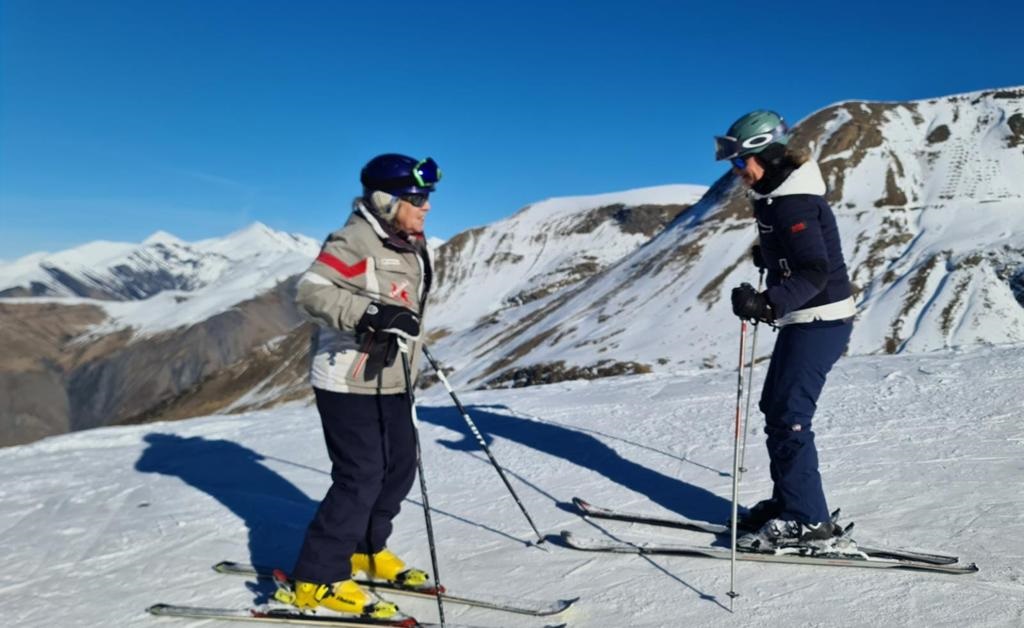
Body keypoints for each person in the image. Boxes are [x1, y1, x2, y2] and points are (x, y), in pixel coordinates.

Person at [286, 153, 440, 617]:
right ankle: (317, 578)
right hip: (347, 380)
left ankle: (365, 550)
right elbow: (311, 291)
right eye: (416, 197)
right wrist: (369, 313)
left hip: (394, 378)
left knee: (398, 469)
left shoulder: (408, 240)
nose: (426, 206)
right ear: (385, 200)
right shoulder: (355, 240)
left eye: (427, 197)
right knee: (360, 477)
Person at [716, 111, 856, 551]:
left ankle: (808, 520)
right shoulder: (778, 197)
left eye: (742, 163)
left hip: (820, 319)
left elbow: (816, 271)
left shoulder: (794, 202)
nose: (737, 172)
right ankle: (790, 502)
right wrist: (772, 256)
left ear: (769, 156)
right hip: (806, 318)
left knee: (790, 415)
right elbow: (800, 255)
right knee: (775, 407)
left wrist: (768, 302)